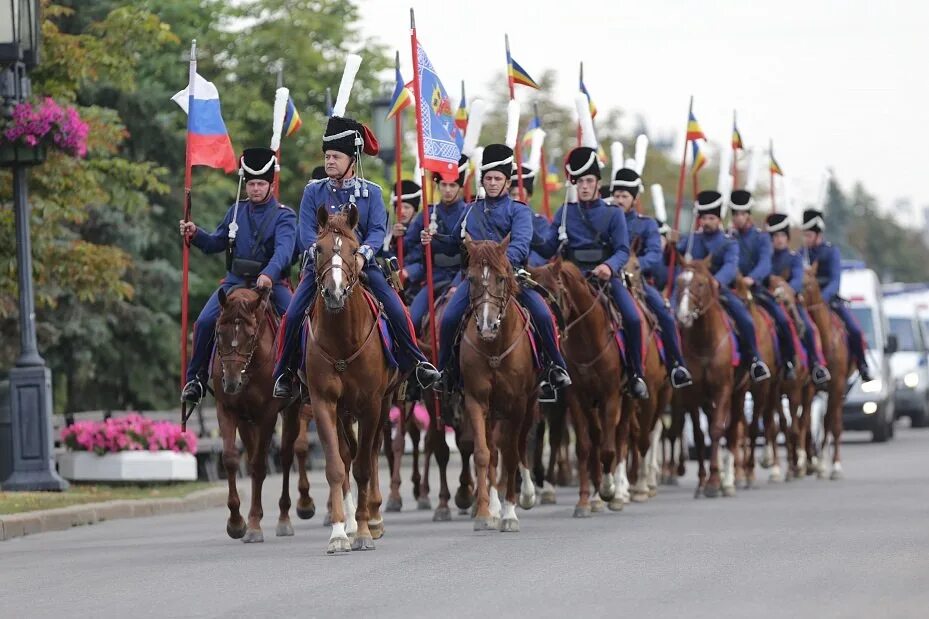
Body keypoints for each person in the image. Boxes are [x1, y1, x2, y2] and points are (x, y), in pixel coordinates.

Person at [272, 115, 441, 398]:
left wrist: (362, 255)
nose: (329, 162)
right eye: (327, 156)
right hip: (323, 267)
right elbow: (305, 233)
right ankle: (284, 373)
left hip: (362, 266)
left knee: (397, 309)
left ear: (352, 160)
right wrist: (322, 258)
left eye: (336, 157)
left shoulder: (372, 193)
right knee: (291, 315)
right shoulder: (313, 191)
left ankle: (417, 363)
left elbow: (377, 231)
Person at [426, 143, 571, 391]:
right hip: (474, 281)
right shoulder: (471, 210)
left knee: (544, 314)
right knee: (449, 317)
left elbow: (521, 246)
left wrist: (498, 265)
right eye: (489, 178)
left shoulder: (520, 211)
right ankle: (446, 370)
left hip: (511, 278)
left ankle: (554, 367)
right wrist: (432, 239)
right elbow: (453, 244)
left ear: (507, 182)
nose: (492, 183)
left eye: (498, 178)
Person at [179, 147, 297, 404]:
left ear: (270, 184)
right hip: (234, 282)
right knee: (204, 322)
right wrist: (195, 233)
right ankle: (196, 379)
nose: (255, 189)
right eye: (251, 184)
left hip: (270, 284)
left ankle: (297, 377)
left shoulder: (284, 216)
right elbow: (215, 243)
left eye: (260, 184)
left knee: (297, 319)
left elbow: (284, 252)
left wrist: (268, 274)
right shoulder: (235, 211)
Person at [537, 147, 648, 399]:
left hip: (605, 279)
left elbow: (622, 250)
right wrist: (528, 233)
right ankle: (549, 373)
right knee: (545, 315)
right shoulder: (565, 213)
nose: (584, 187)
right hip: (571, 281)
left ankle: (635, 374)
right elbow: (547, 248)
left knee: (632, 317)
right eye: (579, 182)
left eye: (589, 181)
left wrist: (609, 266)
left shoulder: (613, 213)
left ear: (598, 183)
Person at [676, 191, 771, 382]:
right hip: (691, 291)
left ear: (718, 220)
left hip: (719, 290)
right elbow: (675, 257)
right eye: (703, 218)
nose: (706, 222)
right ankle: (675, 363)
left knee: (744, 318)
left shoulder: (729, 242)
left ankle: (754, 359)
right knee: (670, 316)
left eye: (711, 218)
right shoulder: (691, 240)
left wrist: (716, 282)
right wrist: (669, 243)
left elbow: (730, 266)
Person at [611, 167, 693, 388]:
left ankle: (677, 364)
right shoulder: (605, 219)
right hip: (606, 278)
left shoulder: (645, 224)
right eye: (616, 195)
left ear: (634, 199)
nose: (619, 200)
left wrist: (636, 265)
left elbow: (655, 254)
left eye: (624, 196)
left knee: (664, 314)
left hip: (636, 281)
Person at [729, 189, 797, 378]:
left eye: (742, 214)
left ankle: (788, 360)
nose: (738, 218)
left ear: (748, 215)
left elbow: (765, 263)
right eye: (735, 214)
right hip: (731, 288)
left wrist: (751, 278)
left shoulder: (761, 238)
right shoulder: (729, 237)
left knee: (782, 320)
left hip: (756, 289)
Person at [801, 207, 873, 381]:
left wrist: (823, 298)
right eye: (805, 235)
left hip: (829, 300)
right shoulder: (801, 254)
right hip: (805, 301)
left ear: (819, 235)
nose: (806, 239)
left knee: (854, 329)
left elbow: (835, 281)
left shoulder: (831, 252)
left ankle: (862, 365)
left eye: (809, 235)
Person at [402, 157, 470, 334]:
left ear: (460, 187)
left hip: (462, 278)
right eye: (444, 185)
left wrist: (457, 284)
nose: (447, 190)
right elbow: (410, 247)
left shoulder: (470, 212)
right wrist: (399, 236)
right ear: (437, 185)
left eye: (452, 185)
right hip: (433, 278)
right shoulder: (427, 213)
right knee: (412, 321)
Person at [765, 213, 831, 386]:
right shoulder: (766, 258)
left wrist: (787, 289)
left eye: (782, 236)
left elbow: (797, 278)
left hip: (790, 301)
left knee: (808, 328)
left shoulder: (794, 258)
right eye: (775, 236)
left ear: (787, 238)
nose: (779, 240)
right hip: (767, 299)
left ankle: (816, 364)